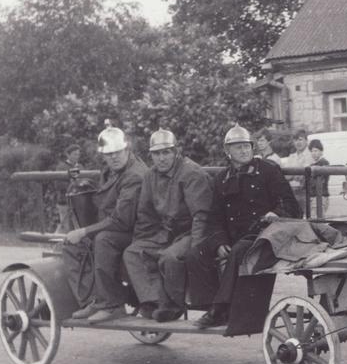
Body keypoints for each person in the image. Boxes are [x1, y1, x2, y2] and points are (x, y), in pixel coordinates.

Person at [192, 124, 301, 329]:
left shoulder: (268, 171)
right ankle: (208, 304)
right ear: (227, 152)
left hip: (265, 235)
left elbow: (291, 205)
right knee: (197, 252)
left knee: (240, 251)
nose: (244, 151)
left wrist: (276, 213)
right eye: (238, 147)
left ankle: (219, 309)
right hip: (234, 237)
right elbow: (214, 218)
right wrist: (219, 242)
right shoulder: (222, 179)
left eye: (247, 146)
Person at [122, 129, 214, 323]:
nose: (161, 158)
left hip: (193, 230)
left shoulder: (191, 173)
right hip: (167, 232)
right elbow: (145, 215)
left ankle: (173, 306)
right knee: (132, 252)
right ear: (151, 155)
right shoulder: (150, 176)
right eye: (157, 154)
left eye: (166, 152)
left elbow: (201, 216)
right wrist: (142, 241)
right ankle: (153, 301)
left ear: (176, 152)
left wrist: (196, 247)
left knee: (169, 257)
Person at [65, 126, 148, 322]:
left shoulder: (134, 175)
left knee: (102, 240)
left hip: (140, 231)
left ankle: (112, 305)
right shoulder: (112, 171)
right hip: (125, 229)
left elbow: (121, 220)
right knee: (71, 246)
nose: (114, 157)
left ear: (127, 150)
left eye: (118, 152)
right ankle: (95, 299)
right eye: (109, 154)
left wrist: (85, 231)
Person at [54, 144, 83, 234]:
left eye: (78, 154)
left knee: (77, 225)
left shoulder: (81, 167)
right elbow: (58, 185)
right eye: (74, 154)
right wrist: (72, 185)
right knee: (65, 226)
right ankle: (57, 244)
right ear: (68, 155)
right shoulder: (62, 167)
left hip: (79, 202)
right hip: (65, 202)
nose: (77, 157)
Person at [284, 129, 313, 198]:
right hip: (292, 193)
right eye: (296, 140)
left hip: (306, 193)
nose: (298, 142)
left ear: (306, 141)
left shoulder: (311, 155)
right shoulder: (292, 156)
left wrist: (292, 175)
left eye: (300, 139)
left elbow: (303, 176)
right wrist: (294, 175)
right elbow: (286, 176)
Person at [307, 138, 330, 217]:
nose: (313, 153)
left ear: (321, 151)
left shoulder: (324, 163)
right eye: (312, 151)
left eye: (316, 151)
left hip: (320, 196)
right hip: (315, 196)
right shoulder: (313, 164)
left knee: (317, 219)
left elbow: (318, 181)